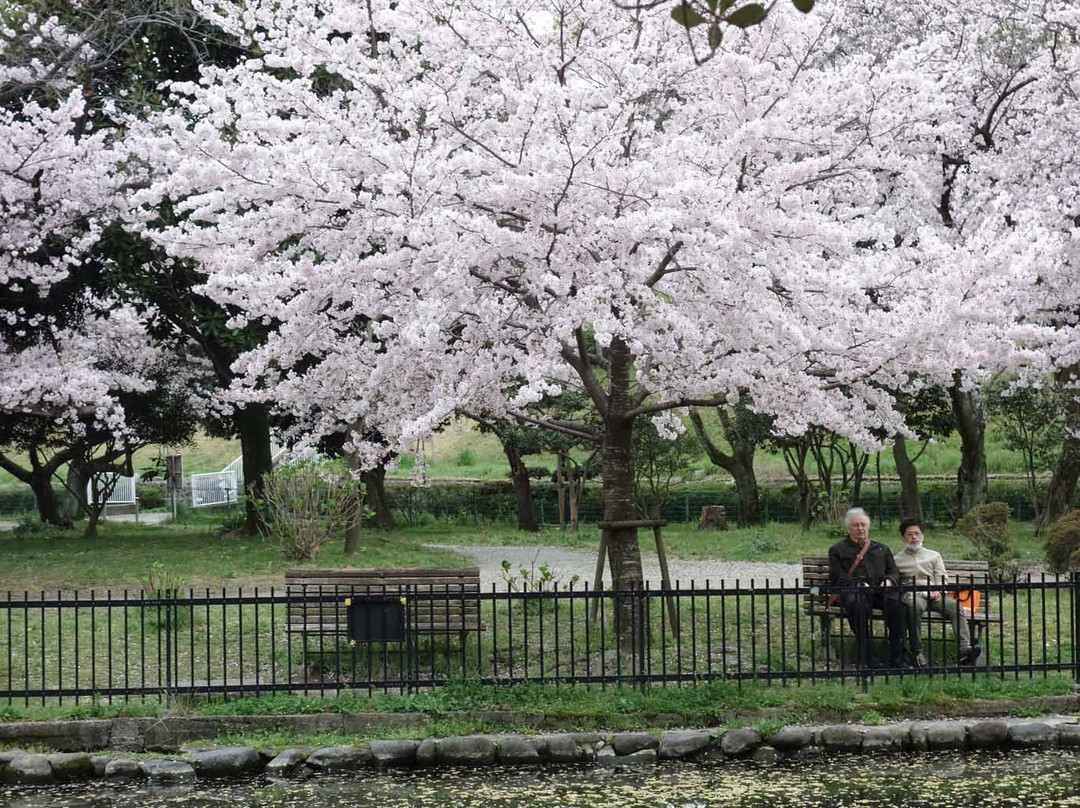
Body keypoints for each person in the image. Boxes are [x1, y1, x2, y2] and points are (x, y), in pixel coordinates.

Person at [828, 507, 909, 669]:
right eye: (855, 525)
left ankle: (897, 656)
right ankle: (867, 655)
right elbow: (837, 576)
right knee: (857, 607)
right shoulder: (837, 550)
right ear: (848, 528)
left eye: (863, 525)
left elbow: (894, 572)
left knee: (898, 607)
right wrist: (857, 585)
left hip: (879, 592)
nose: (860, 528)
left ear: (868, 526)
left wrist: (888, 581)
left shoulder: (882, 549)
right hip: (853, 592)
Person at [895, 518, 981, 667]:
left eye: (917, 533)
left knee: (955, 607)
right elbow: (896, 581)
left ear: (923, 536)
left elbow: (942, 576)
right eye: (910, 534)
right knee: (913, 607)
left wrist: (939, 591)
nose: (914, 537)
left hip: (935, 594)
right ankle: (918, 652)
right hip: (913, 595)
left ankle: (964, 649)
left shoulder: (934, 555)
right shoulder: (897, 559)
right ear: (904, 538)